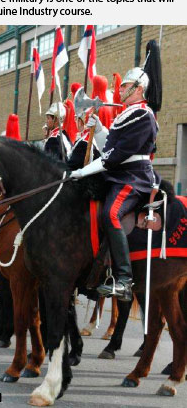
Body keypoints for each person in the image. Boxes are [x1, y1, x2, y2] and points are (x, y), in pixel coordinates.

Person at [70, 64, 161, 302]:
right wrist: (99, 129)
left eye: (125, 86)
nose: (119, 89)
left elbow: (113, 157)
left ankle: (124, 279)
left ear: (139, 89)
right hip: (120, 174)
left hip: (134, 176)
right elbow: (108, 146)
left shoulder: (143, 114)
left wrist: (82, 171)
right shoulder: (127, 113)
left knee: (111, 213)